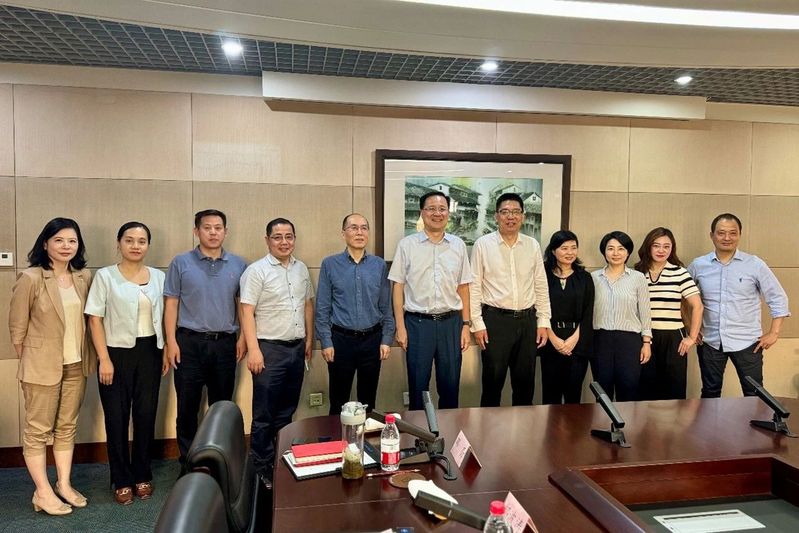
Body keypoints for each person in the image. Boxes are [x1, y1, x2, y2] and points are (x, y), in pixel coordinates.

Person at [8, 218, 95, 515]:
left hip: (76, 364)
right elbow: (17, 330)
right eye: (59, 240)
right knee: (37, 431)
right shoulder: (31, 277)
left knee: (67, 427)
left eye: (72, 241)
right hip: (41, 368)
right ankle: (43, 492)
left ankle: (64, 484)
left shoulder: (83, 277)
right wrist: (33, 362)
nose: (66, 246)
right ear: (45, 243)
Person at [85, 222, 166, 505]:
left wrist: (165, 349)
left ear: (148, 245)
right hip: (115, 354)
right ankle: (120, 479)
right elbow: (94, 319)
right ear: (118, 243)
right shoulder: (105, 276)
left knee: (146, 414)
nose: (135, 246)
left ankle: (142, 474)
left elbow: (166, 316)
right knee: (116, 417)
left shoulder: (159, 277)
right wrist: (104, 359)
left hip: (150, 352)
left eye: (141, 241)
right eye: (129, 240)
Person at [163, 209, 247, 468]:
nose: (213, 232)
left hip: (225, 343)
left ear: (225, 232)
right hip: (188, 343)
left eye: (218, 228)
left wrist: (243, 337)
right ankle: (189, 462)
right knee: (187, 407)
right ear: (196, 231)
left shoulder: (239, 264)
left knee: (221, 407)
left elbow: (243, 305)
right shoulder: (181, 262)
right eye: (207, 227)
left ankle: (219, 461)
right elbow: (171, 304)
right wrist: (171, 341)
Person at [240, 218, 314, 489]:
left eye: (289, 236)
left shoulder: (301, 268)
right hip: (268, 350)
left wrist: (309, 339)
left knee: (286, 411)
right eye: (278, 237)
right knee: (264, 414)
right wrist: (254, 350)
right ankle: (261, 469)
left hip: (296, 348)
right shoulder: (256, 271)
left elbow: (307, 305)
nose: (284, 242)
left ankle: (280, 461)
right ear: (267, 240)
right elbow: (246, 311)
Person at [688, 213, 790, 397]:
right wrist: (691, 328)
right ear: (712, 235)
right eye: (721, 233)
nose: (727, 238)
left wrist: (774, 333)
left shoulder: (755, 264)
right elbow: (684, 298)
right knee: (710, 393)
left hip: (748, 342)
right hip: (710, 341)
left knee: (754, 394)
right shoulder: (698, 265)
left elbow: (778, 297)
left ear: (739, 235)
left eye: (733, 233)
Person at [389, 191, 473, 410]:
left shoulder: (458, 245)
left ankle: (449, 429)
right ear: (422, 212)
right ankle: (419, 431)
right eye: (432, 209)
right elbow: (398, 287)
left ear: (448, 213)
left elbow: (463, 287)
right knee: (418, 387)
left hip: (451, 324)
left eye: (442, 209)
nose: (438, 213)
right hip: (417, 324)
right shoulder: (407, 245)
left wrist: (466, 325)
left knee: (450, 385)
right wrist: (400, 327)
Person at [469, 193, 551, 407]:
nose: (510, 216)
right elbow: (474, 286)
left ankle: (523, 429)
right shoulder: (483, 245)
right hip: (495, 321)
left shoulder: (532, 245)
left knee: (525, 386)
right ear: (496, 216)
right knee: (492, 384)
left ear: (523, 216)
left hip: (527, 321)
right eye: (505, 212)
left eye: (515, 212)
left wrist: (543, 321)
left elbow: (540, 285)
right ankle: (488, 428)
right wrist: (477, 323)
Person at [315, 213, 394, 414]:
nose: (359, 232)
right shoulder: (330, 264)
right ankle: (337, 435)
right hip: (340, 341)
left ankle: (366, 435)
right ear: (343, 234)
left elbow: (386, 306)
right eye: (353, 228)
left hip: (372, 340)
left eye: (364, 228)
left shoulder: (379, 265)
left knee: (368, 401)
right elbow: (323, 307)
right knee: (338, 401)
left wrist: (386, 339)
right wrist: (326, 341)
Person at [634, 227, 703, 401]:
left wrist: (691, 337)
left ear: (672, 249)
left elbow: (697, 306)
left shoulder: (679, 273)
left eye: (666, 246)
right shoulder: (637, 273)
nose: (661, 250)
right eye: (656, 245)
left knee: (673, 388)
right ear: (648, 247)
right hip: (645, 337)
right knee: (645, 388)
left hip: (673, 338)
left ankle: (674, 421)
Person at [591, 231, 652, 401]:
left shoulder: (638, 278)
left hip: (629, 341)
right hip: (600, 340)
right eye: (610, 248)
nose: (616, 253)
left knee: (629, 389)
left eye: (621, 249)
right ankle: (603, 419)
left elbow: (645, 312)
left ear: (628, 252)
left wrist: (646, 342)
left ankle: (627, 420)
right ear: (604, 251)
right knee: (602, 392)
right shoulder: (593, 278)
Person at [539, 230, 594, 405]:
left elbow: (588, 312)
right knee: (550, 396)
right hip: (550, 339)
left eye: (573, 247)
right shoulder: (543, 274)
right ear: (553, 250)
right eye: (564, 248)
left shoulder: (584, 277)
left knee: (573, 395)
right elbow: (538, 308)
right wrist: (553, 338)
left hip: (577, 342)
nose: (570, 252)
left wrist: (573, 340)